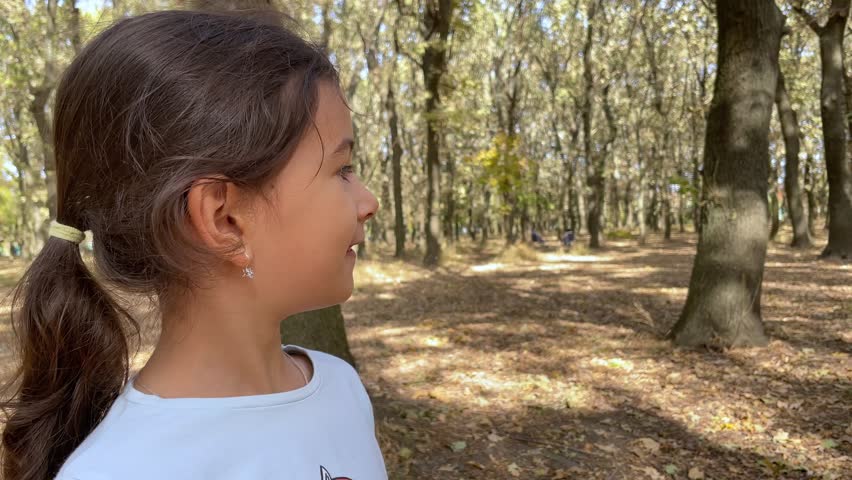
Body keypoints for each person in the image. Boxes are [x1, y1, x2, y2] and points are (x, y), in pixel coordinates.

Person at [0, 9, 385, 480]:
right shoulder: (120, 470)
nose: (369, 201)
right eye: (341, 170)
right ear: (225, 219)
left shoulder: (341, 388)